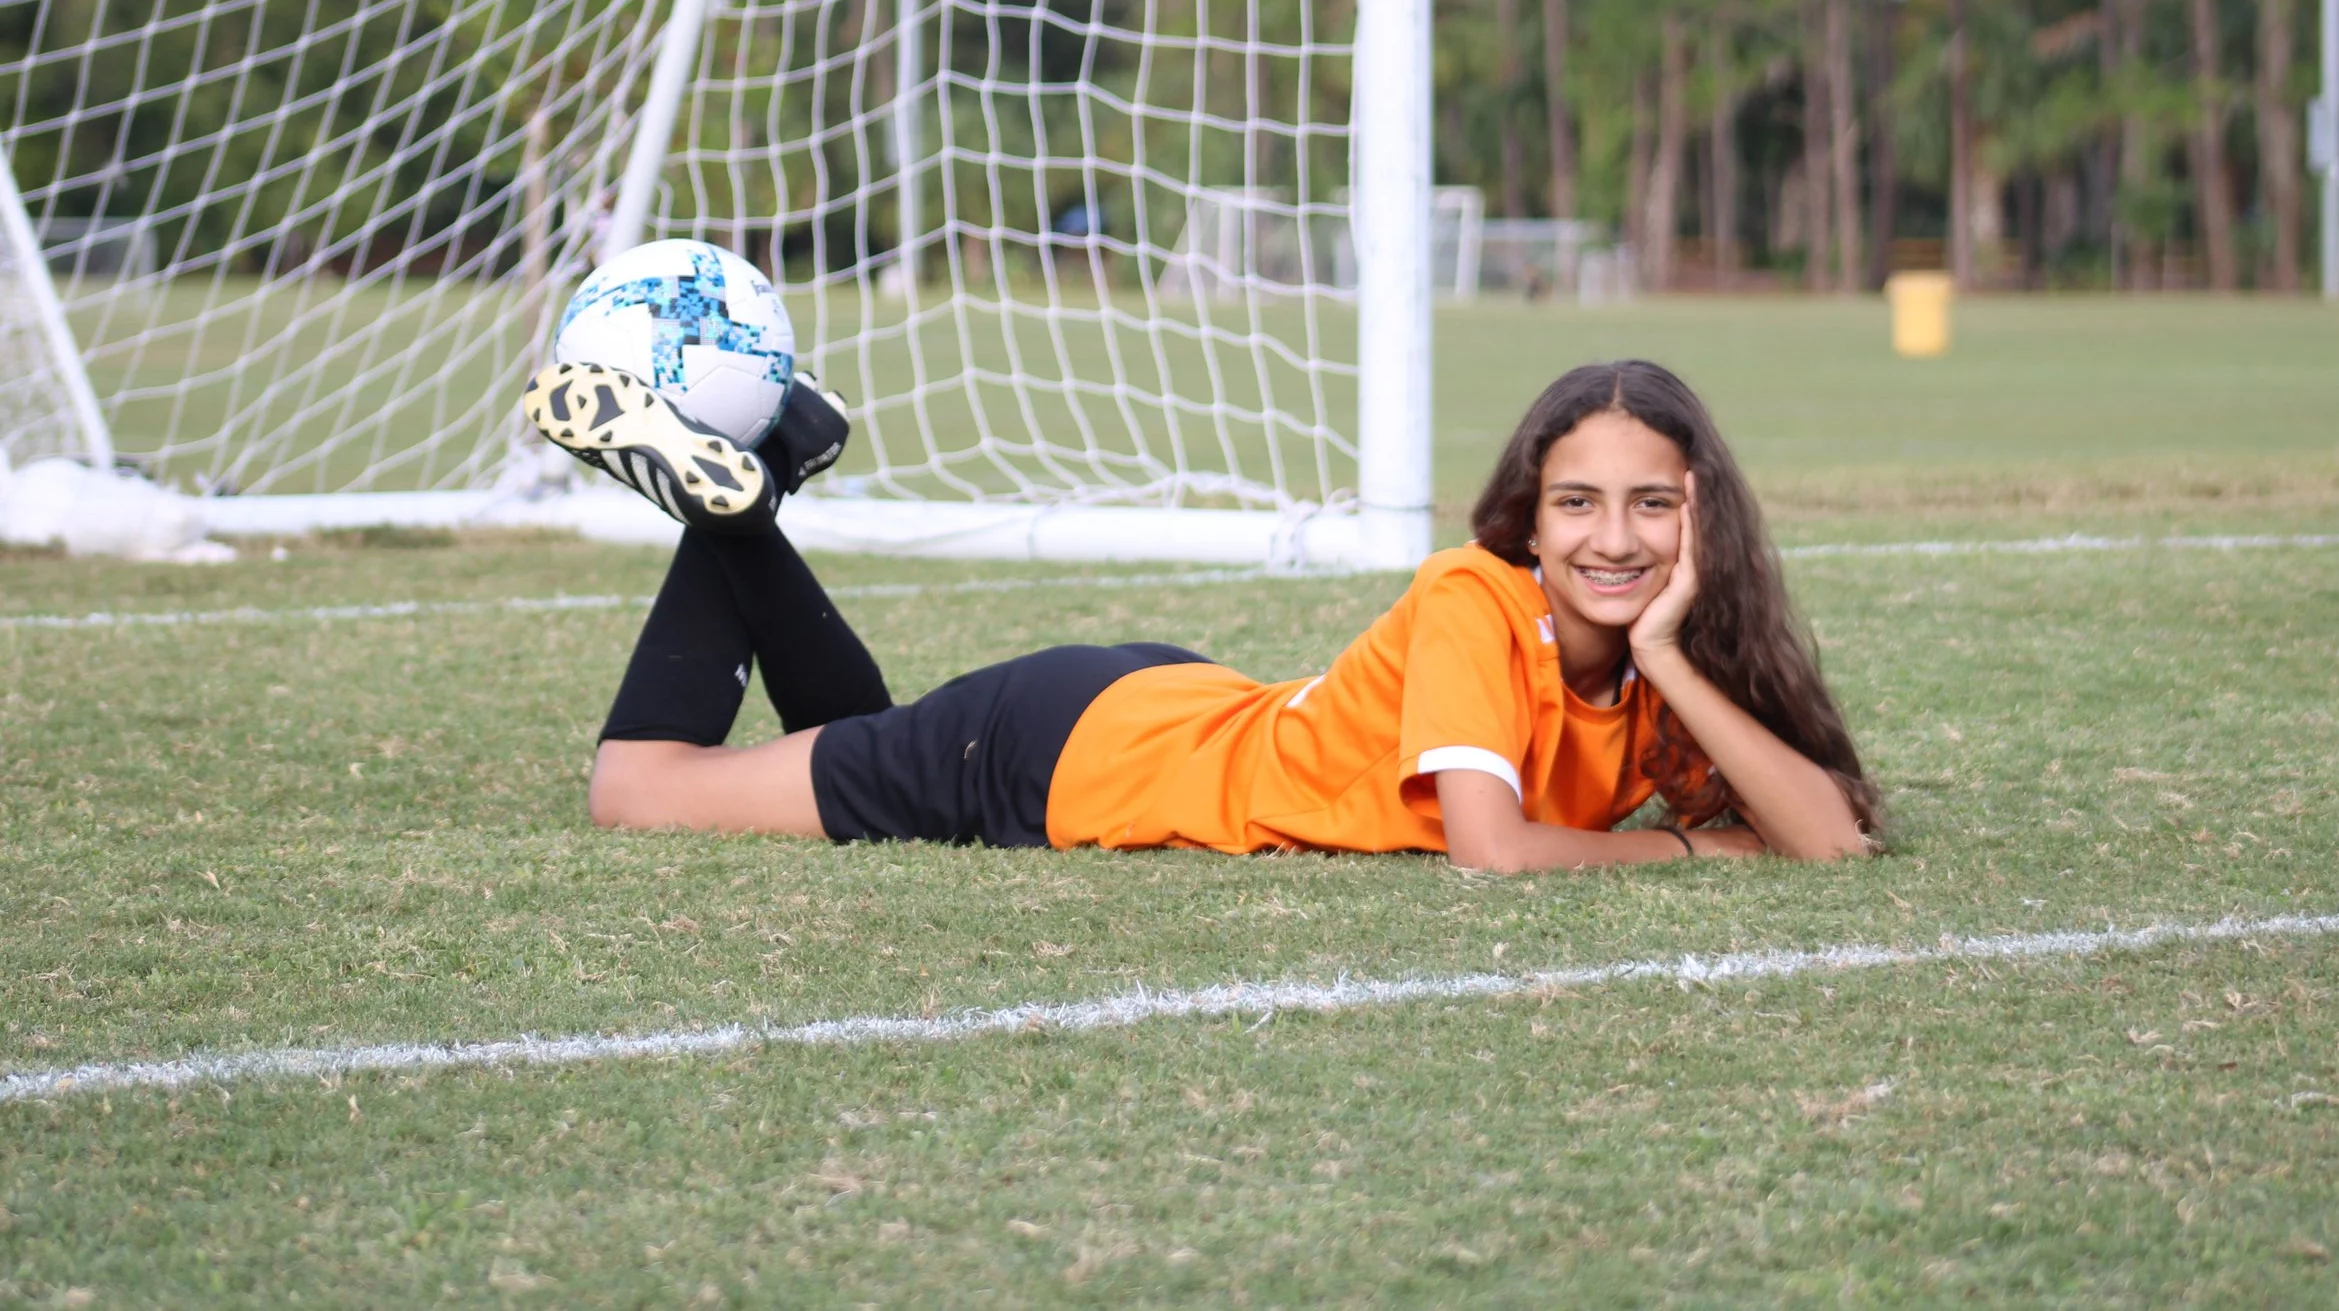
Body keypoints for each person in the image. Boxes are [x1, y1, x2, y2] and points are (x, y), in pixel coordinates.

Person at [517, 357, 1878, 869]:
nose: (1615, 537)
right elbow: (1491, 850)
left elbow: (1827, 837)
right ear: (1527, 511)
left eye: (1652, 505)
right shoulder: (1474, 595)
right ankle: (738, 497)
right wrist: (1704, 861)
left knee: (858, 743)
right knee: (640, 789)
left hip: (1173, 706)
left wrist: (1665, 655)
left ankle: (766, 474)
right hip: (1066, 753)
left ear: (1702, 516)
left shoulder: (1658, 670)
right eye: (1578, 502)